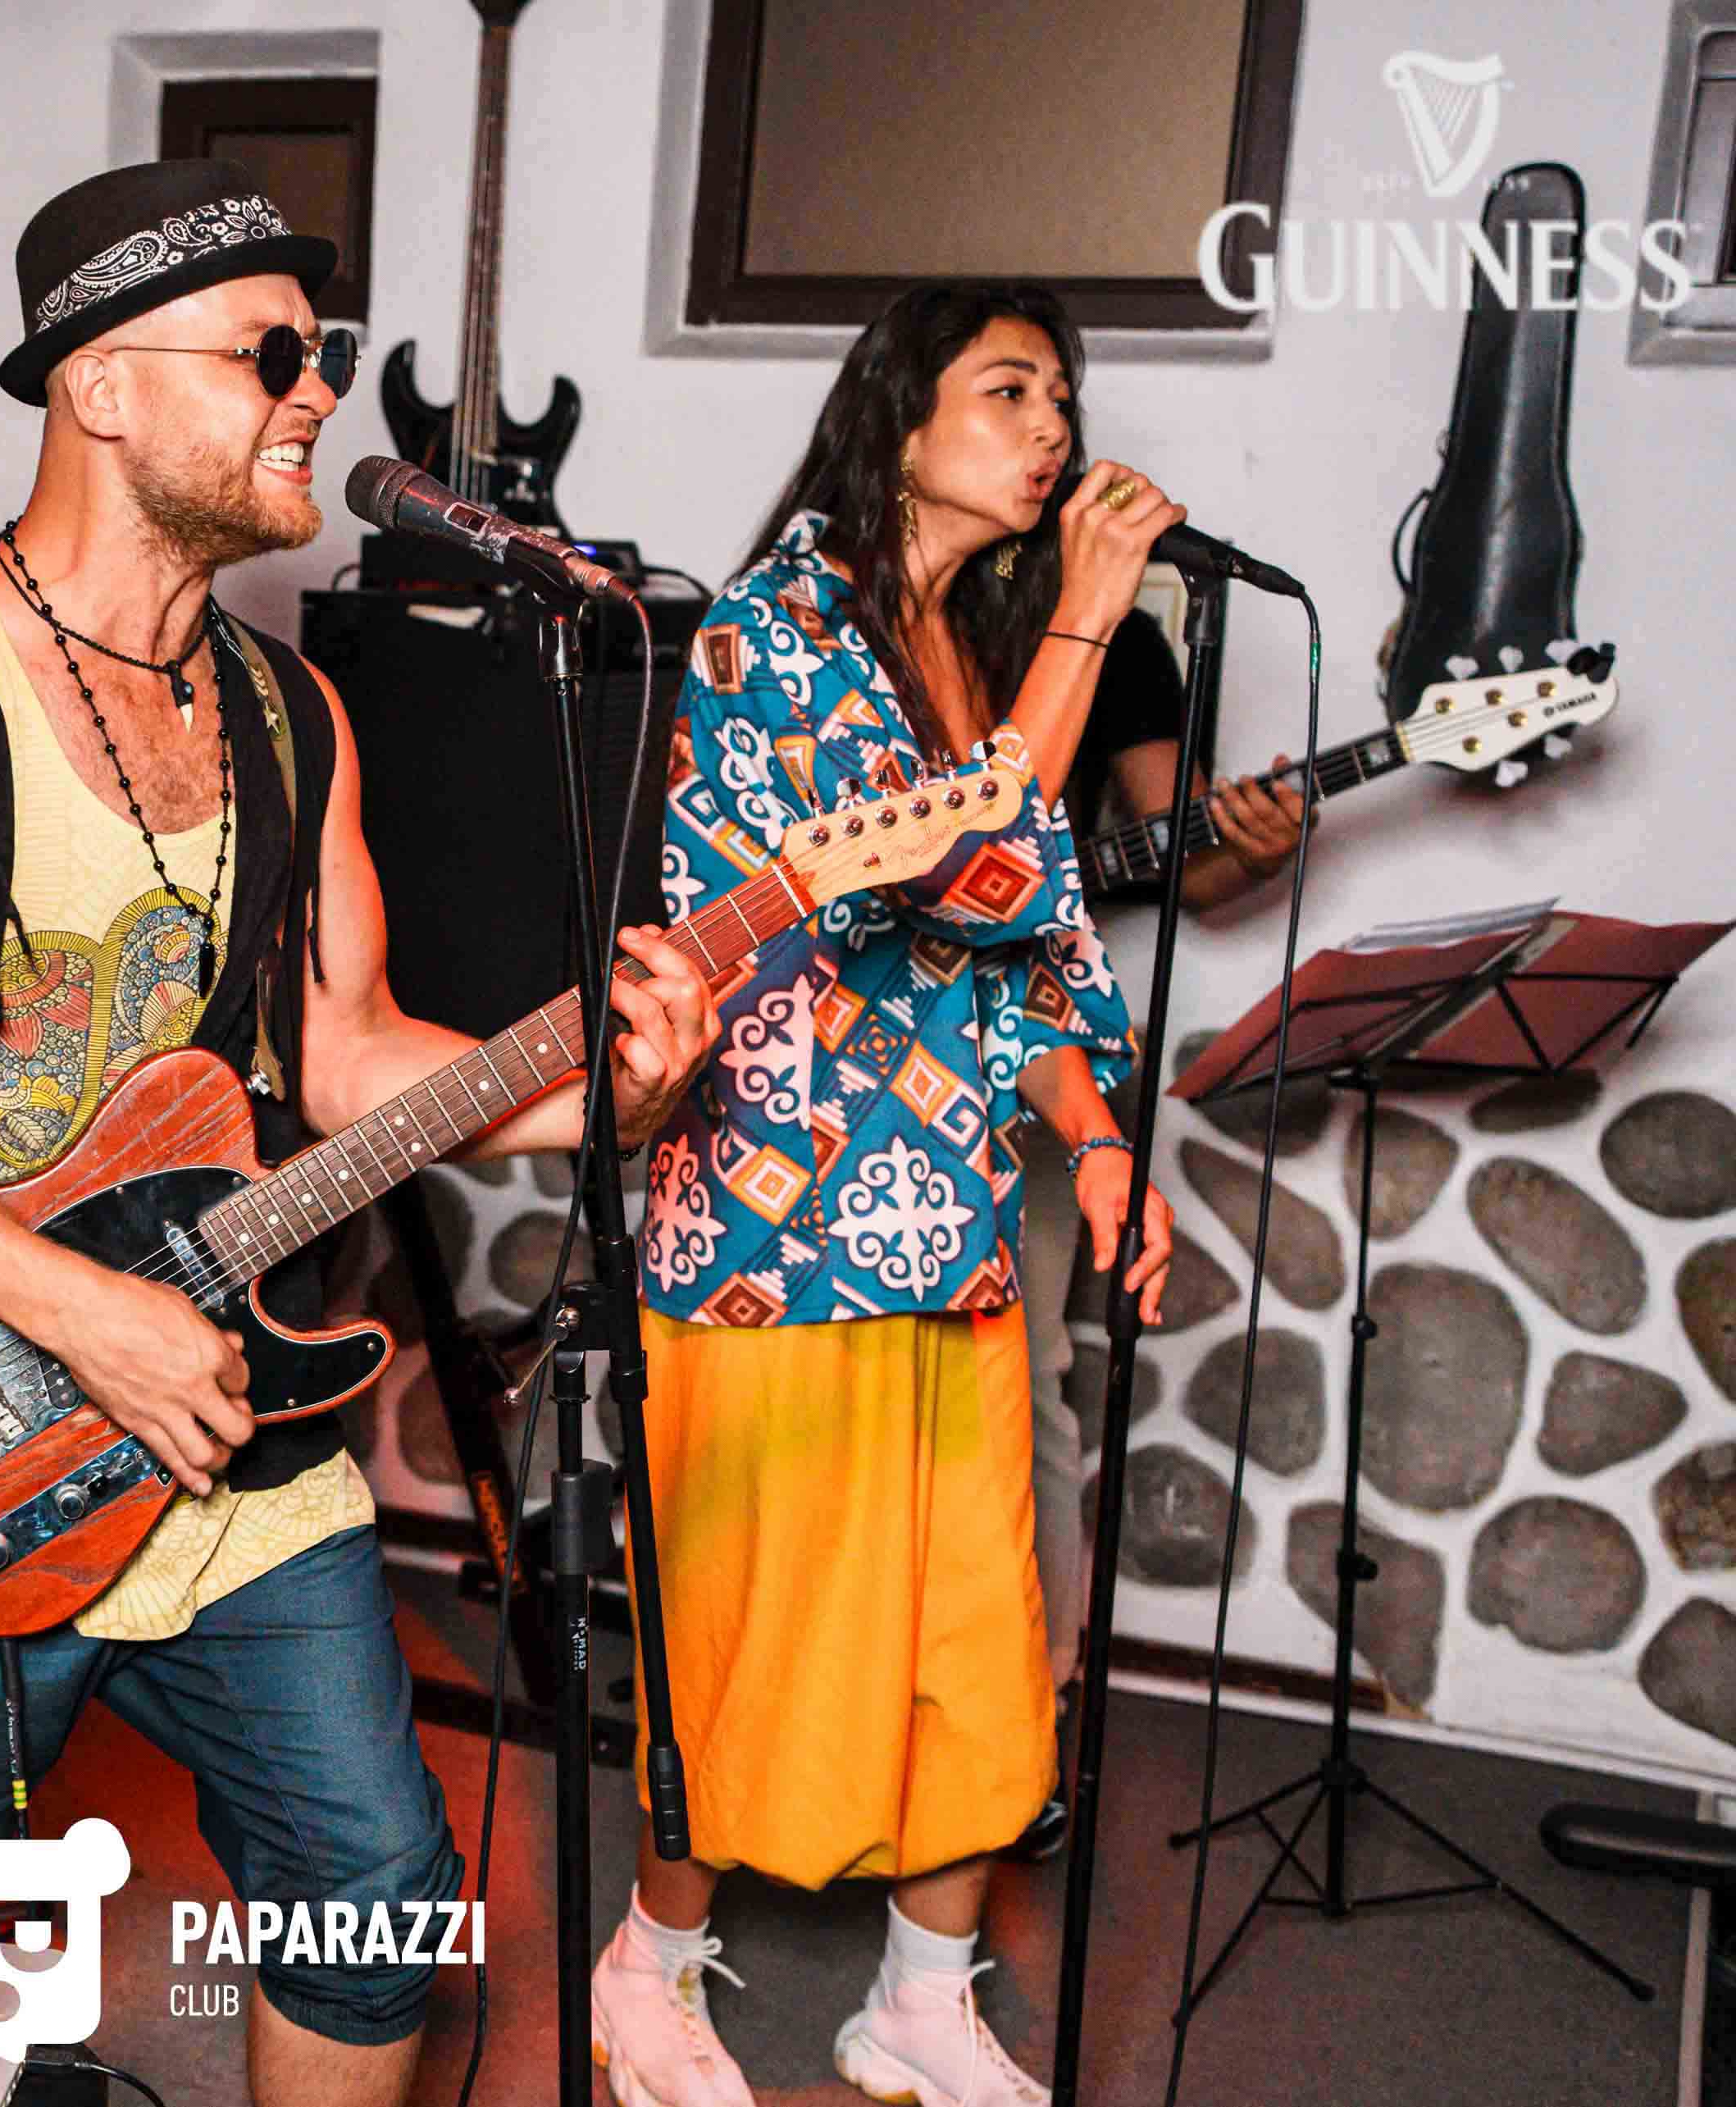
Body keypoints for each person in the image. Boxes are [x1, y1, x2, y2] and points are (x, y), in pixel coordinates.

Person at [0, 158, 718, 2107]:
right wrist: (80, 1315)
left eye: (320, 354)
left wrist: (603, 1098)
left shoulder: (287, 712)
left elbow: (345, 1053)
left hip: (234, 1427)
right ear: (99, 387)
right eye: (271, 355)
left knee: (373, 1899)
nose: (315, 393)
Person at [590, 285, 1179, 2107]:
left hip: (948, 1220)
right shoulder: (773, 631)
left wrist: (1096, 1137)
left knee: (969, 1647)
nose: (1051, 425)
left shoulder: (972, 655)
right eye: (1007, 389)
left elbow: (1027, 950)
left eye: (1062, 395)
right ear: (896, 419)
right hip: (774, 1231)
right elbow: (969, 867)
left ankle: (918, 2000)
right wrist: (1089, 615)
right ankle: (640, 1970)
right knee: (754, 1637)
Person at [1019, 607, 1310, 1703]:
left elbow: (1186, 863)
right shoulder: (852, 604)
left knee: (1021, 1370)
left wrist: (1254, 847)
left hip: (1030, 1035)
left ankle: (1034, 1691)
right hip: (835, 1042)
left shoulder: (1121, 639)